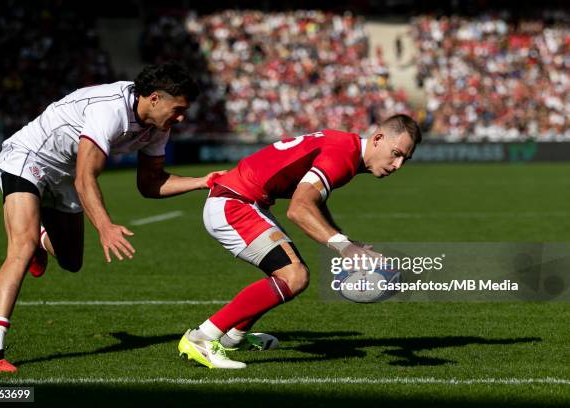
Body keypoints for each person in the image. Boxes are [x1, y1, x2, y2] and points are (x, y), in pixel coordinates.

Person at [0, 63, 221, 372]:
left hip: (66, 174)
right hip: (28, 157)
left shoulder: (159, 127)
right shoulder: (110, 110)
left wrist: (202, 182)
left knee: (71, 260)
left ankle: (40, 238)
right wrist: (104, 226)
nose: (181, 118)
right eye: (178, 109)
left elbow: (149, 184)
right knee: (20, 248)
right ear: (155, 98)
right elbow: (85, 178)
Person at [178, 114, 421, 368]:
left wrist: (347, 242)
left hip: (242, 201)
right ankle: (201, 337)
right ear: (378, 139)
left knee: (285, 274)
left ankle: (234, 336)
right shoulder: (343, 155)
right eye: (396, 153)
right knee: (294, 276)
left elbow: (314, 201)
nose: (398, 164)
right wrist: (345, 248)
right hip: (234, 203)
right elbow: (299, 208)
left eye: (406, 158)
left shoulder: (345, 148)